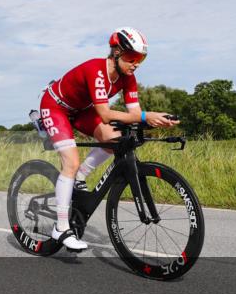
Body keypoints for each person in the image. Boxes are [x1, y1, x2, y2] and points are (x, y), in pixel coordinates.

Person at [39, 27, 179, 251]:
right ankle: (61, 227)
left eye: (141, 59)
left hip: (82, 110)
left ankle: (81, 175)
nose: (136, 64)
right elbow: (105, 114)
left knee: (115, 139)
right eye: (132, 57)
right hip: (56, 107)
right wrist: (146, 116)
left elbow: (135, 113)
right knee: (70, 162)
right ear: (116, 52)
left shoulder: (128, 78)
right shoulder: (96, 70)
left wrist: (156, 120)